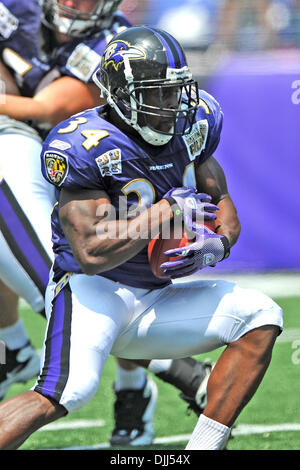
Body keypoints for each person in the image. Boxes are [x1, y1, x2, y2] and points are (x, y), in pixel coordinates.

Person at [0, 25, 283, 450]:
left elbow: (221, 199)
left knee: (261, 315)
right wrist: (162, 214)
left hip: (157, 297)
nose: (174, 104)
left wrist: (217, 246)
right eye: (159, 93)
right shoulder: (84, 143)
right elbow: (91, 252)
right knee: (64, 393)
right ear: (122, 95)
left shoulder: (194, 121)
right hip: (95, 293)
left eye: (177, 90)